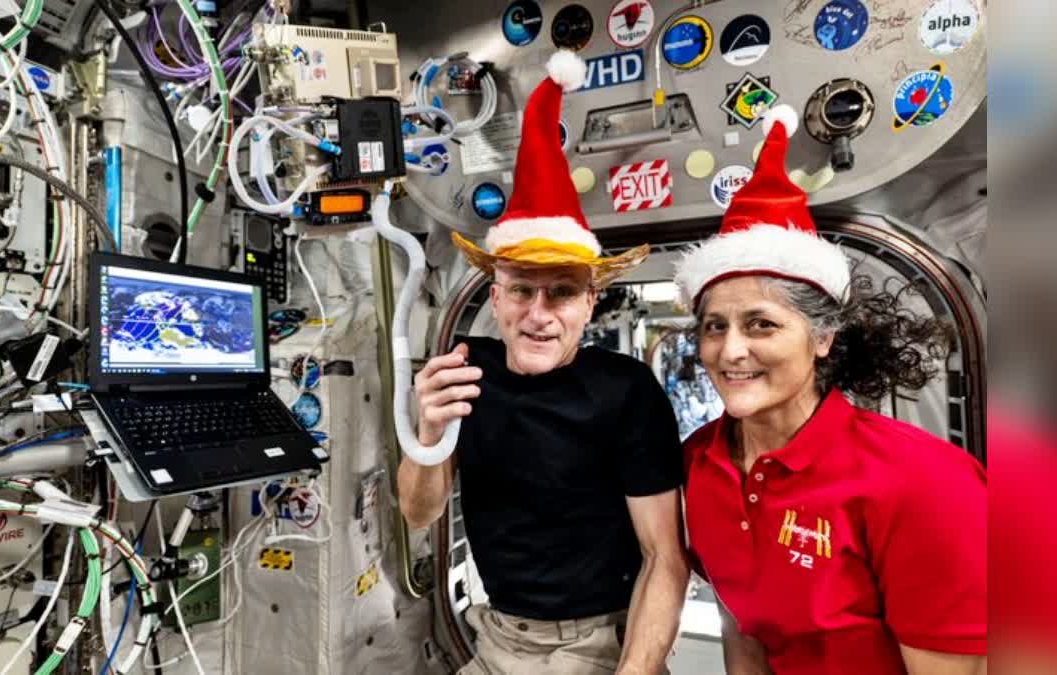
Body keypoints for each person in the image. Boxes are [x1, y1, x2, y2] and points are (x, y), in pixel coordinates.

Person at [398, 50, 689, 675]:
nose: (538, 313)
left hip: (604, 643)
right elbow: (419, 513)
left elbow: (665, 556)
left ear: (589, 303)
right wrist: (426, 437)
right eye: (522, 290)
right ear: (495, 297)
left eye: (560, 292)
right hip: (497, 637)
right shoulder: (461, 371)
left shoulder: (626, 391)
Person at [670, 105, 987, 674]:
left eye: (761, 324)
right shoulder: (699, 462)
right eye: (715, 326)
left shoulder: (923, 481)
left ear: (821, 339)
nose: (730, 350)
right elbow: (742, 629)